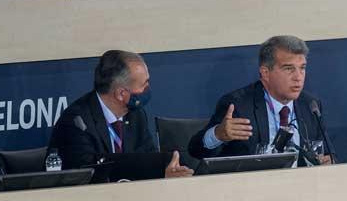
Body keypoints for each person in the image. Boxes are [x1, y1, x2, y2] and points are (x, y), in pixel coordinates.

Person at [189, 35, 332, 164]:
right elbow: (196, 150)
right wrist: (218, 135)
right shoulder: (239, 105)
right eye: (289, 69)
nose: (298, 77)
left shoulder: (310, 105)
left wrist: (328, 161)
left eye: (302, 68)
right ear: (265, 73)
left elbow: (329, 154)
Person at [49, 50, 192, 177]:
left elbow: (149, 158)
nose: (148, 88)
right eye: (144, 84)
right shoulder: (77, 123)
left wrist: (165, 169)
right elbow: (91, 172)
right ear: (121, 94)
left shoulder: (136, 115)